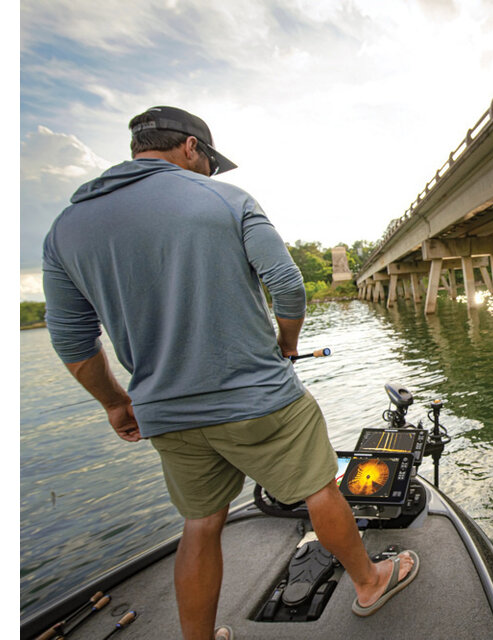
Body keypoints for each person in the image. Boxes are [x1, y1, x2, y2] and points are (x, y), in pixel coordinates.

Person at [42, 106, 417, 640]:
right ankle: (370, 582)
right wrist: (287, 346)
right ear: (191, 147)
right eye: (209, 162)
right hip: (261, 397)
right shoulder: (227, 199)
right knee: (319, 489)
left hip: (165, 414)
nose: (211, 173)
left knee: (200, 524)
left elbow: (72, 342)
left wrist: (115, 402)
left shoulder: (64, 230)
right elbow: (286, 285)